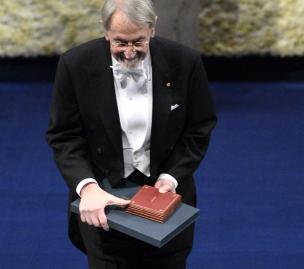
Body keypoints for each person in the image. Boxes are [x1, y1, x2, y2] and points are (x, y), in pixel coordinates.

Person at [46, 0, 216, 268]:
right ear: (105, 31)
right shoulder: (75, 64)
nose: (128, 53)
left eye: (138, 42)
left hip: (166, 199)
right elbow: (64, 136)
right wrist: (87, 187)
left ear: (152, 28)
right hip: (104, 199)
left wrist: (171, 178)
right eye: (120, 43)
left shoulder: (185, 62)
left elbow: (199, 128)